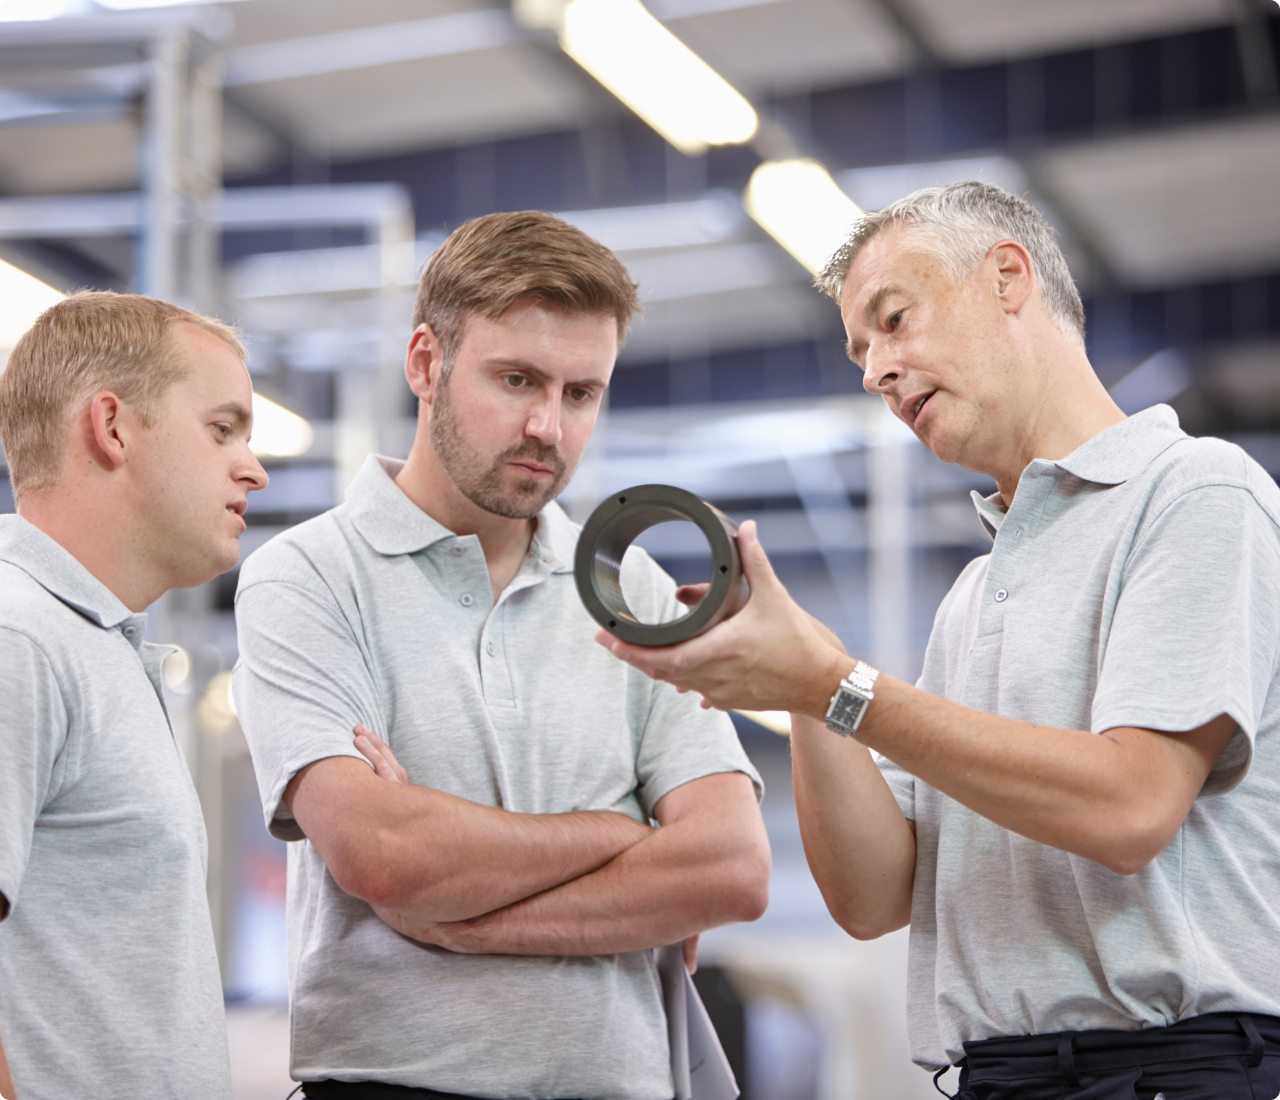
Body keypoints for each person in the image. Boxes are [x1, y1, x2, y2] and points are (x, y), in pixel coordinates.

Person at [599, 182, 1280, 1100]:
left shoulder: (1194, 494)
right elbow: (874, 897)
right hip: (999, 1075)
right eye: (860, 349)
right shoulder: (973, 595)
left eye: (893, 320)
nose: (875, 370)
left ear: (1007, 277)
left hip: (1173, 1065)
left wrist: (841, 684)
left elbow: (1131, 808)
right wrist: (805, 684)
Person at [232, 210, 770, 1100]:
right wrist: (622, 837)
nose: (547, 429)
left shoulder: (629, 587)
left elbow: (731, 867)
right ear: (424, 364)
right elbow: (385, 857)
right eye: (516, 379)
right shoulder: (307, 578)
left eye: (581, 393)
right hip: (393, 1086)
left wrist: (466, 920)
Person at [0, 291, 269, 1099]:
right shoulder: (21, 638)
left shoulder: (92, 647)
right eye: (222, 429)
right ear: (113, 427)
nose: (252, 467)